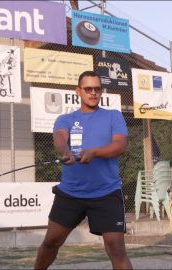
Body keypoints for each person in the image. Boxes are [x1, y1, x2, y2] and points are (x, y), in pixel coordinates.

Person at [35, 71, 132, 269]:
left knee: (116, 249)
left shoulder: (113, 116)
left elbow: (120, 145)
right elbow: (60, 138)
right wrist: (65, 151)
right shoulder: (65, 119)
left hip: (107, 192)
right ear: (78, 91)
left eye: (97, 89)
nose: (93, 93)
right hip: (71, 193)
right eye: (88, 89)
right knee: (51, 242)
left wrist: (94, 152)